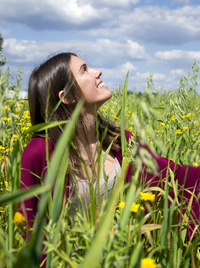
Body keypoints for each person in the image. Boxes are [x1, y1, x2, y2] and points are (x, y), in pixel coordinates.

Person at [19, 52, 200, 237]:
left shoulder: (121, 141)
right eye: (84, 70)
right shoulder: (39, 154)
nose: (98, 72)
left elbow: (178, 178)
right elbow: (30, 230)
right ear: (67, 96)